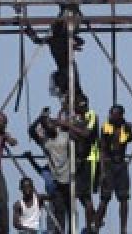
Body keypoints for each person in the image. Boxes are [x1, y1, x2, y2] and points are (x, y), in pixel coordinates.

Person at [96, 105, 132, 234]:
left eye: (114, 114)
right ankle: (96, 226)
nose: (112, 116)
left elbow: (131, 137)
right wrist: (102, 171)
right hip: (109, 164)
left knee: (123, 198)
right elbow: (102, 149)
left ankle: (123, 229)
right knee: (105, 198)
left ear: (120, 115)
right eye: (111, 114)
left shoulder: (125, 127)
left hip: (121, 165)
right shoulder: (107, 128)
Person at [52, 96, 101, 234]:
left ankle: (91, 226)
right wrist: (62, 113)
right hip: (77, 160)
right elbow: (61, 126)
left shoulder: (91, 116)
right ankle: (92, 222)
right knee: (79, 194)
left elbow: (86, 134)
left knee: (86, 196)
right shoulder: (77, 118)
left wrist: (68, 125)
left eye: (78, 106)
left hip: (89, 159)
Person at [23, 6, 85, 104]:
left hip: (67, 68)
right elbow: (37, 41)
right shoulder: (56, 38)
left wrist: (29, 31)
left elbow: (37, 40)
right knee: (72, 86)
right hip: (65, 68)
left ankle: (72, 99)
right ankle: (70, 98)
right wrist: (29, 31)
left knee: (73, 87)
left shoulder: (61, 38)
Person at [28, 108, 73, 233]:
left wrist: (60, 121)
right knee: (59, 209)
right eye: (47, 126)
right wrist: (40, 117)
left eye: (51, 124)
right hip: (56, 180)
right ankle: (60, 231)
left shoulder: (65, 135)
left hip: (68, 179)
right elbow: (31, 131)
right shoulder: (45, 141)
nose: (50, 127)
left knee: (70, 209)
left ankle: (70, 231)